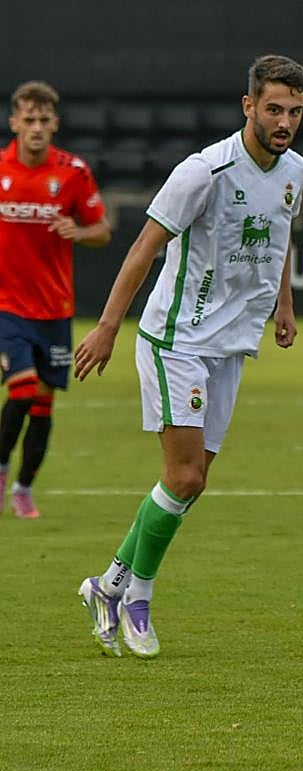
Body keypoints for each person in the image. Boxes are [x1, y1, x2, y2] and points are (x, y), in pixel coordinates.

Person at [72, 55, 303, 658]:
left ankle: (108, 586)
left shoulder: (295, 171)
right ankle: (138, 598)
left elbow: (280, 235)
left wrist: (284, 305)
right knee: (184, 475)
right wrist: (106, 328)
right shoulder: (203, 172)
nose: (284, 122)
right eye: (274, 108)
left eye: (295, 112)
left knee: (190, 483)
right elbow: (143, 250)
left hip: (230, 347)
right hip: (176, 339)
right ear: (248, 105)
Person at [0, 81, 110, 518]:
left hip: (54, 310)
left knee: (43, 404)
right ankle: (1, 465)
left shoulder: (73, 173)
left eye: (44, 120)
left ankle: (24, 487)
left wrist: (78, 231)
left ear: (55, 124)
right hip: (8, 306)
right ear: (14, 123)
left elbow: (102, 231)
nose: (37, 128)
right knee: (23, 388)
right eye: (29, 120)